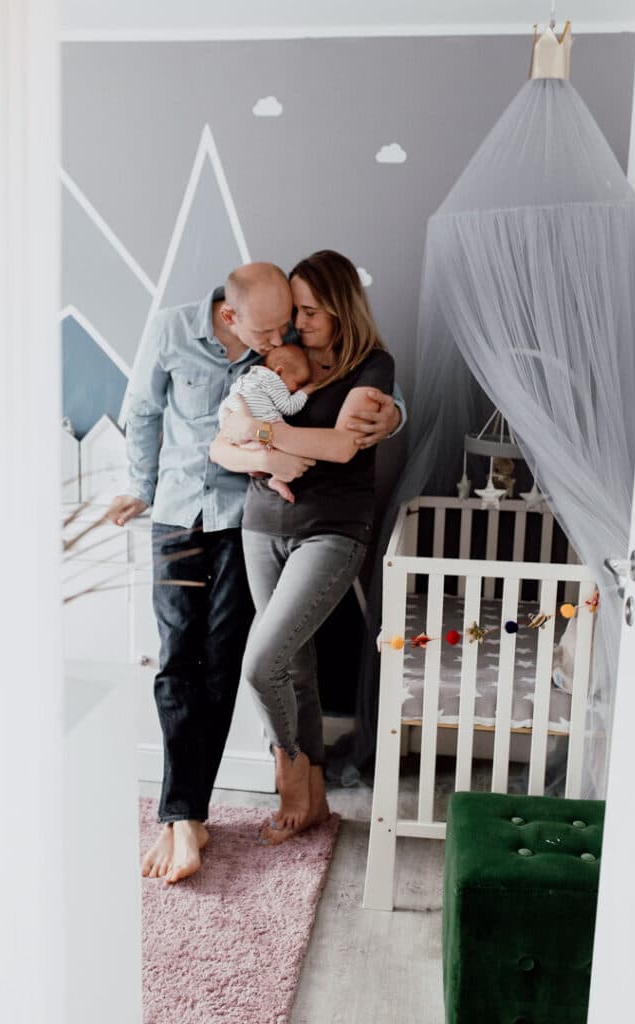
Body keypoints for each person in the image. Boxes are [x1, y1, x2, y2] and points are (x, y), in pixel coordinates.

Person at [105, 260, 402, 882]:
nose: (281, 339)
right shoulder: (176, 331)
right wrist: (141, 485)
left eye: (292, 323)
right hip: (183, 516)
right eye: (271, 331)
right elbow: (156, 416)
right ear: (231, 316)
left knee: (232, 664)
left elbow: (347, 401)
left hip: (247, 519)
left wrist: (391, 411)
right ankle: (181, 814)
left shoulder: (295, 344)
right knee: (177, 661)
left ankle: (230, 796)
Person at [210, 250, 399, 845]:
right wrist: (255, 448)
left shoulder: (372, 365)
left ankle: (288, 763)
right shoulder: (272, 358)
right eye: (297, 310)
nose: (300, 322)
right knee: (296, 666)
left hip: (334, 529)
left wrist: (265, 434)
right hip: (262, 522)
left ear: (342, 309)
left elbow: (344, 446)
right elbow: (221, 442)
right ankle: (314, 795)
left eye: (313, 311)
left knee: (261, 661)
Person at [218, 344, 312, 503]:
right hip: (259, 434)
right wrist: (307, 390)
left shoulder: (249, 375)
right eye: (297, 383)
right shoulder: (272, 379)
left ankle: (259, 463)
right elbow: (288, 407)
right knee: (292, 440)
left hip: (235, 432)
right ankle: (276, 478)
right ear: (279, 372)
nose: (297, 389)